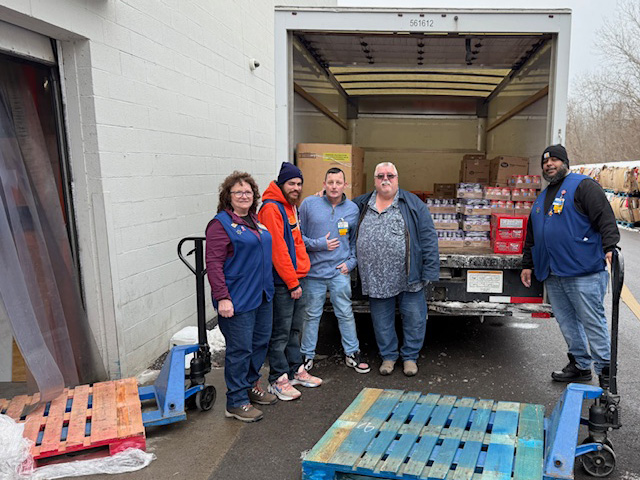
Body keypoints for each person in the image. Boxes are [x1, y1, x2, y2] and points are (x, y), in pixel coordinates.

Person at [521, 145, 620, 388]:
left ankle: (606, 371)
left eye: (555, 159)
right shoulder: (542, 197)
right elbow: (532, 235)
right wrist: (527, 264)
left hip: (583, 270)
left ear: (565, 162)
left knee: (592, 321)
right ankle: (580, 364)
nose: (549, 164)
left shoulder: (583, 186)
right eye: (545, 161)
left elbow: (604, 217)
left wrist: (610, 247)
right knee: (567, 322)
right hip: (553, 272)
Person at [353, 162, 439, 376]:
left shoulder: (412, 204)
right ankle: (388, 357)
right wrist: (324, 198)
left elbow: (428, 237)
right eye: (380, 175)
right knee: (381, 320)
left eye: (390, 175)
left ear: (397, 179)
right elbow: (337, 211)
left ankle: (410, 357)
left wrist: (429, 270)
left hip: (408, 275)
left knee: (414, 318)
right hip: (376, 277)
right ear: (374, 180)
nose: (385, 179)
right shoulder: (362, 203)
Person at [205, 171, 276, 423]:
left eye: (248, 192)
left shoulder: (256, 221)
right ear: (228, 197)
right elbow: (213, 263)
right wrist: (222, 297)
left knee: (259, 344)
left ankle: (250, 386)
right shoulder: (220, 224)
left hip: (262, 296)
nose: (244, 196)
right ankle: (235, 402)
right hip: (237, 300)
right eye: (238, 192)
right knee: (240, 349)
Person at [258, 162, 323, 401]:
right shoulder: (271, 208)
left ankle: (295, 370)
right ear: (281, 184)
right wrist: (292, 282)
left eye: (299, 184)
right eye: (291, 183)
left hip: (298, 278)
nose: (296, 188)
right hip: (284, 282)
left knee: (295, 329)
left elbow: (295, 242)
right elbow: (277, 250)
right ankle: (277, 378)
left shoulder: (289, 206)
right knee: (280, 332)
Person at [299, 167, 371, 374]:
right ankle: (307, 355)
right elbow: (297, 238)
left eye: (338, 182)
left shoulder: (352, 209)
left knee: (345, 313)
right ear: (324, 184)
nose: (334, 186)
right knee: (312, 315)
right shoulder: (308, 204)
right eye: (330, 182)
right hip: (313, 273)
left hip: (339, 272)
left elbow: (355, 240)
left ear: (344, 185)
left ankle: (352, 353)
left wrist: (351, 263)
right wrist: (318, 244)